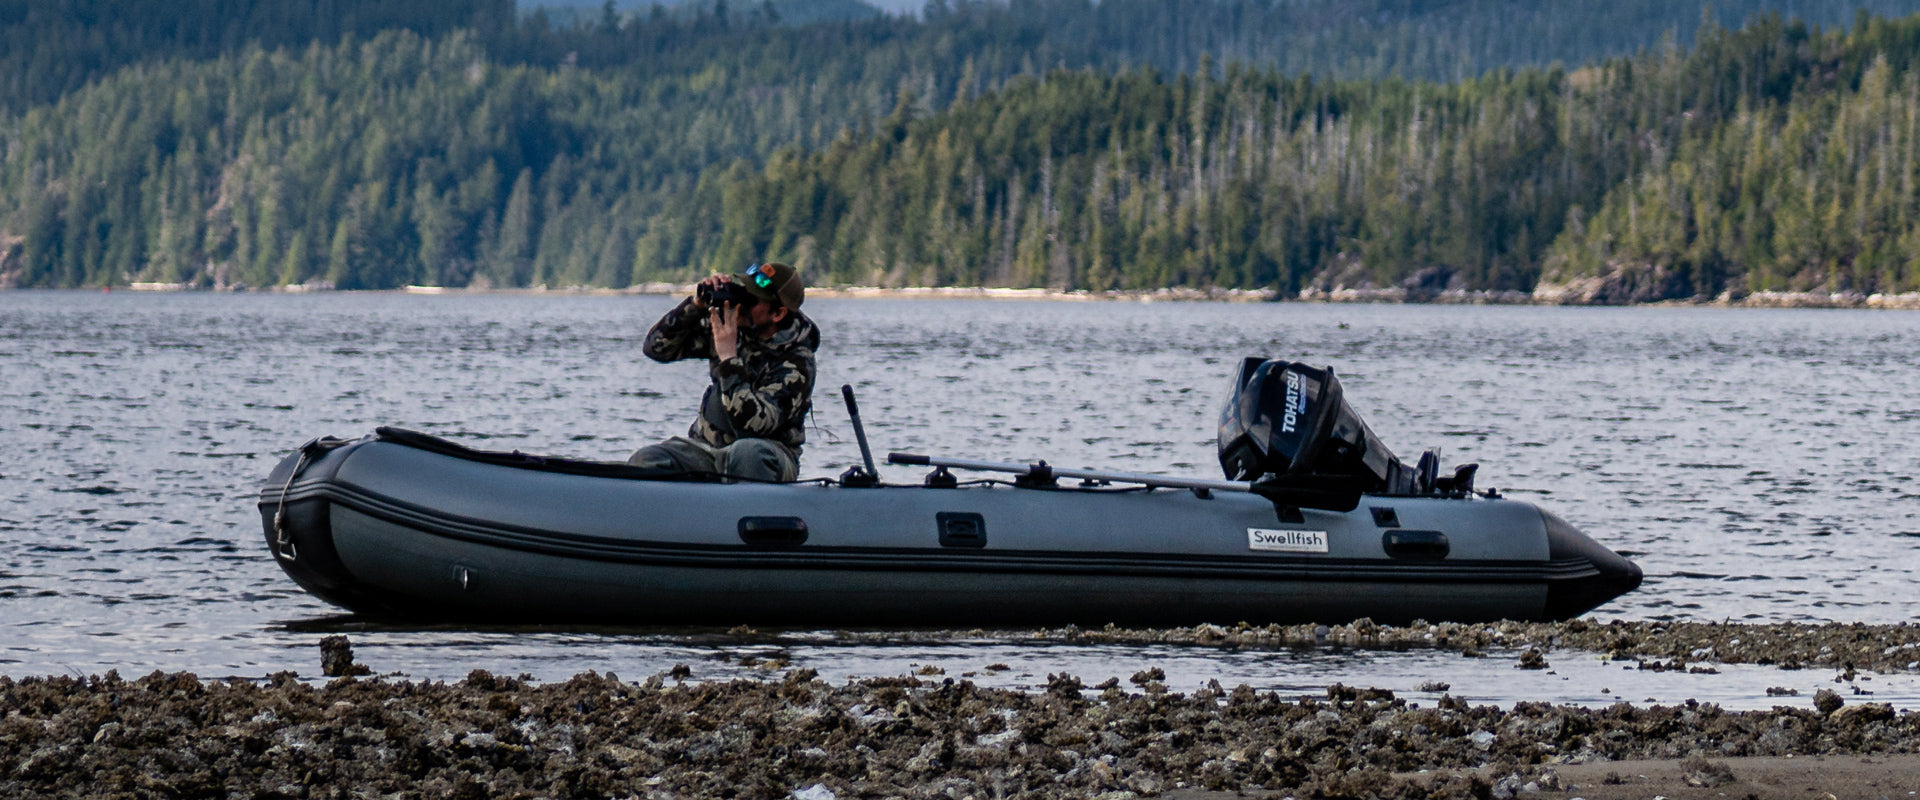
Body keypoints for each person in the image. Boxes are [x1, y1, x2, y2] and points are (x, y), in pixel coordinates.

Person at [629, 262, 817, 481]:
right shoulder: (731, 327)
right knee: (647, 459)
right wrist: (695, 304)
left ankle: (749, 511)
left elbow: (753, 426)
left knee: (746, 453)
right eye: (742, 293)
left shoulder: (797, 362)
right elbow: (656, 348)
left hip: (769, 454)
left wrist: (728, 358)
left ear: (778, 313)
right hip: (708, 448)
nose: (740, 305)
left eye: (751, 300)